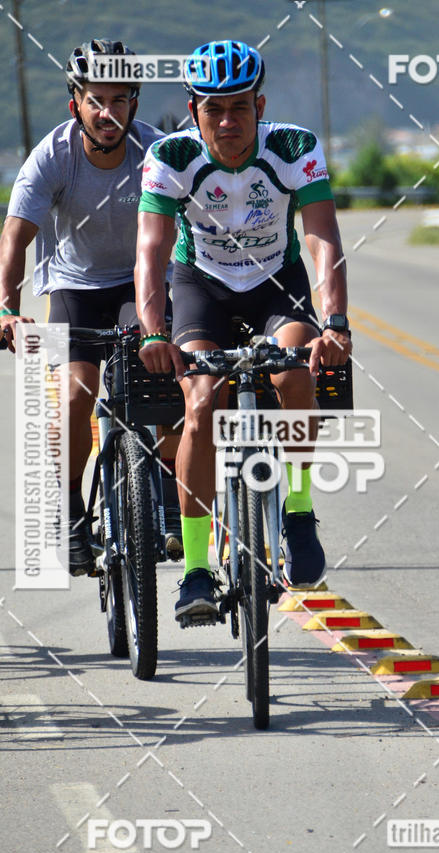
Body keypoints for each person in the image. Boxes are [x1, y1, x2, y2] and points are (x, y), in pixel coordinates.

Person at [135, 39, 351, 621]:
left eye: (239, 107)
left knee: (297, 375)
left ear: (260, 105)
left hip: (276, 285)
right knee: (201, 404)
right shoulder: (172, 156)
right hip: (200, 286)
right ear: (193, 110)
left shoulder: (293, 147)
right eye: (214, 109)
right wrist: (153, 332)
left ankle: (298, 512)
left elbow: (322, 235)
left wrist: (335, 322)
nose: (227, 121)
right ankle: (196, 570)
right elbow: (151, 250)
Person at [0, 38, 182, 576]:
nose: (108, 113)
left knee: (163, 382)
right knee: (74, 393)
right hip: (74, 286)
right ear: (74, 104)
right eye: (95, 101)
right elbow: (15, 237)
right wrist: (7, 310)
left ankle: (170, 501)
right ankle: (72, 515)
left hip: (138, 285)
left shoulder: (155, 152)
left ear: (134, 103)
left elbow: (195, 225)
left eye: (119, 100)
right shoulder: (52, 157)